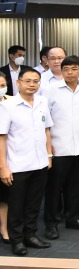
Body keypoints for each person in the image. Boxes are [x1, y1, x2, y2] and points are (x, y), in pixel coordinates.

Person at [41, 56, 79, 240]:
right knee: (54, 188)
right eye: (66, 69)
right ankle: (51, 223)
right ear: (61, 71)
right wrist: (48, 147)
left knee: (77, 186)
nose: (70, 72)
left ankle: (72, 217)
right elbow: (44, 121)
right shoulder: (50, 90)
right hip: (58, 147)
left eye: (74, 69)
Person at [0, 68, 54, 256]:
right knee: (17, 205)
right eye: (28, 81)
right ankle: (17, 240)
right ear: (18, 83)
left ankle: (30, 235)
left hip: (39, 162)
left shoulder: (42, 102)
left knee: (34, 203)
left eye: (36, 81)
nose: (32, 85)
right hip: (17, 165)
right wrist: (3, 167)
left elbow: (47, 130)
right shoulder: (8, 106)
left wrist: (49, 156)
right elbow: (2, 138)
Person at [0, 73, 8, 241]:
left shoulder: (10, 102)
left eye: (2, 85)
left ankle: (4, 228)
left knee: (4, 196)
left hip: (6, 155)